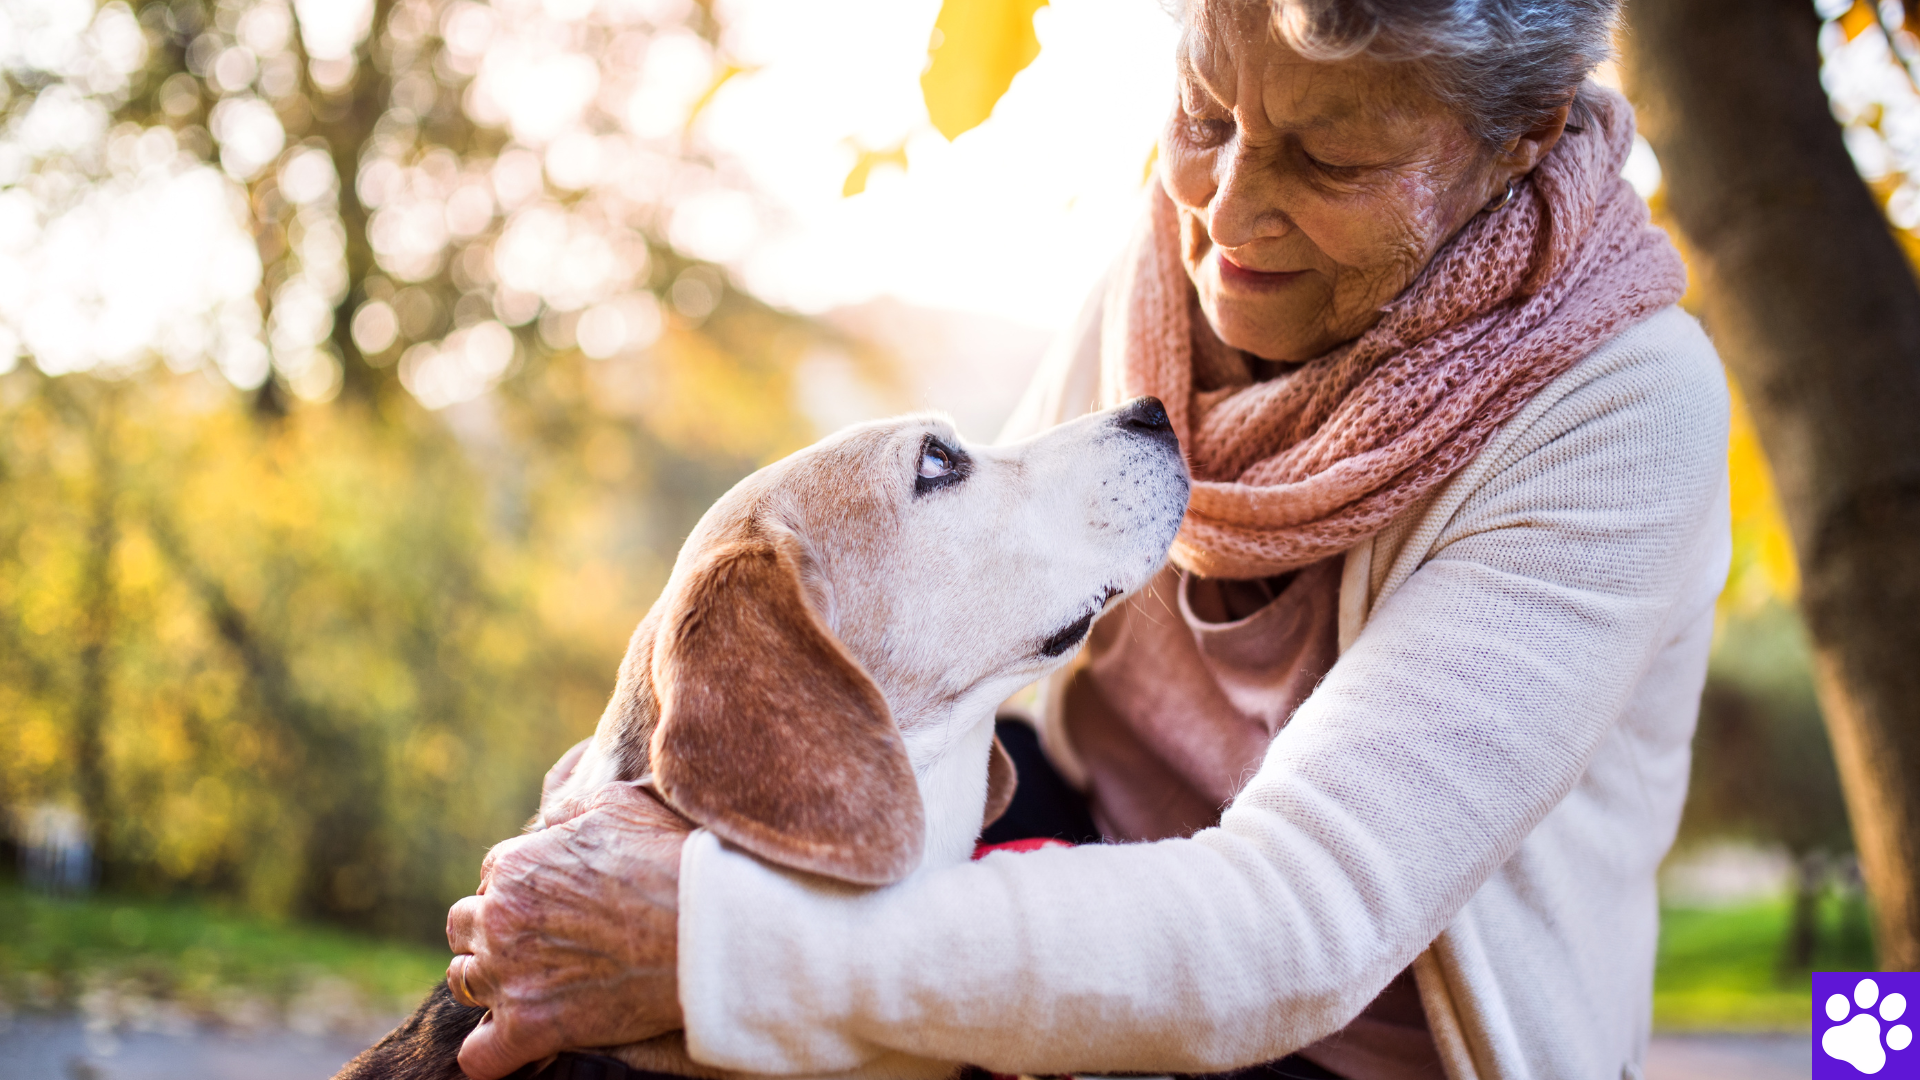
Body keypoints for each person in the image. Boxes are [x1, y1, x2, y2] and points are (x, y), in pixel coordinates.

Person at [443, 1, 1731, 1077]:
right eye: (1204, 116)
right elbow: (967, 606)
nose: (1225, 212)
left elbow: (1303, 922)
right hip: (1073, 829)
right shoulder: (1177, 258)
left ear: (1524, 138)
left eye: (1329, 161)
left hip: (1346, 1035)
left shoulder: (1624, 411)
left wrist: (715, 941)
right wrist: (611, 828)